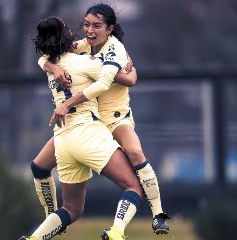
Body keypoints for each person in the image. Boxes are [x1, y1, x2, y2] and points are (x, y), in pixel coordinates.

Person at [35, 3, 170, 235]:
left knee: (136, 154)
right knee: (39, 167)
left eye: (96, 26)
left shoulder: (115, 50)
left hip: (114, 118)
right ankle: (52, 219)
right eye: (86, 24)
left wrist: (67, 102)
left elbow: (118, 81)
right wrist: (52, 67)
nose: (89, 30)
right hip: (88, 124)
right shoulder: (84, 47)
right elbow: (51, 52)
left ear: (109, 28)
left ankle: (158, 214)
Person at [18, 16, 142, 240]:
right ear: (65, 35)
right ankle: (117, 232)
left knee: (72, 209)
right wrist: (132, 72)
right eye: (67, 27)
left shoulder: (51, 67)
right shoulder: (86, 63)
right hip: (88, 133)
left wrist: (53, 67)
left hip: (63, 140)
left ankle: (35, 238)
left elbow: (43, 60)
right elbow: (118, 78)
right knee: (133, 185)